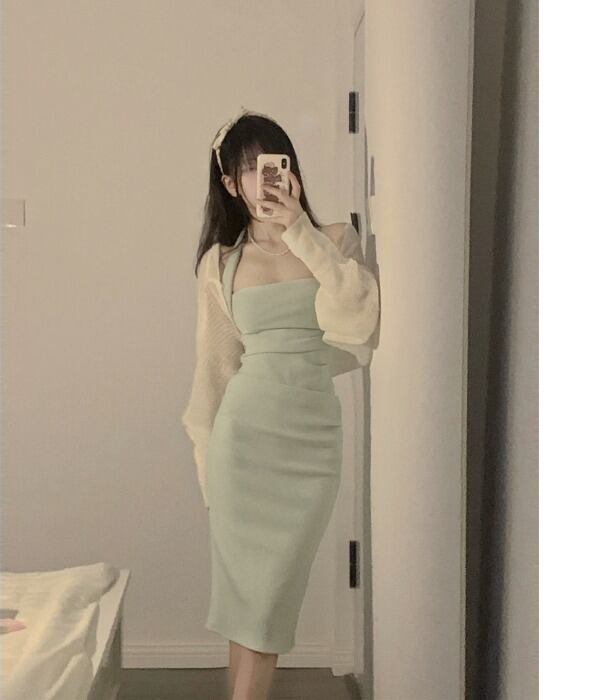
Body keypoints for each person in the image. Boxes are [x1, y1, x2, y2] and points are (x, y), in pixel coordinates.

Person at [181, 106, 380, 700]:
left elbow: (359, 321)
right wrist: (208, 474)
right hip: (242, 447)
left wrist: (300, 233)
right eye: (248, 169)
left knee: (267, 606)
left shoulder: (334, 240)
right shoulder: (221, 264)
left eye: (273, 162)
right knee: (247, 612)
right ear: (229, 183)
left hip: (310, 442)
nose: (264, 177)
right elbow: (214, 372)